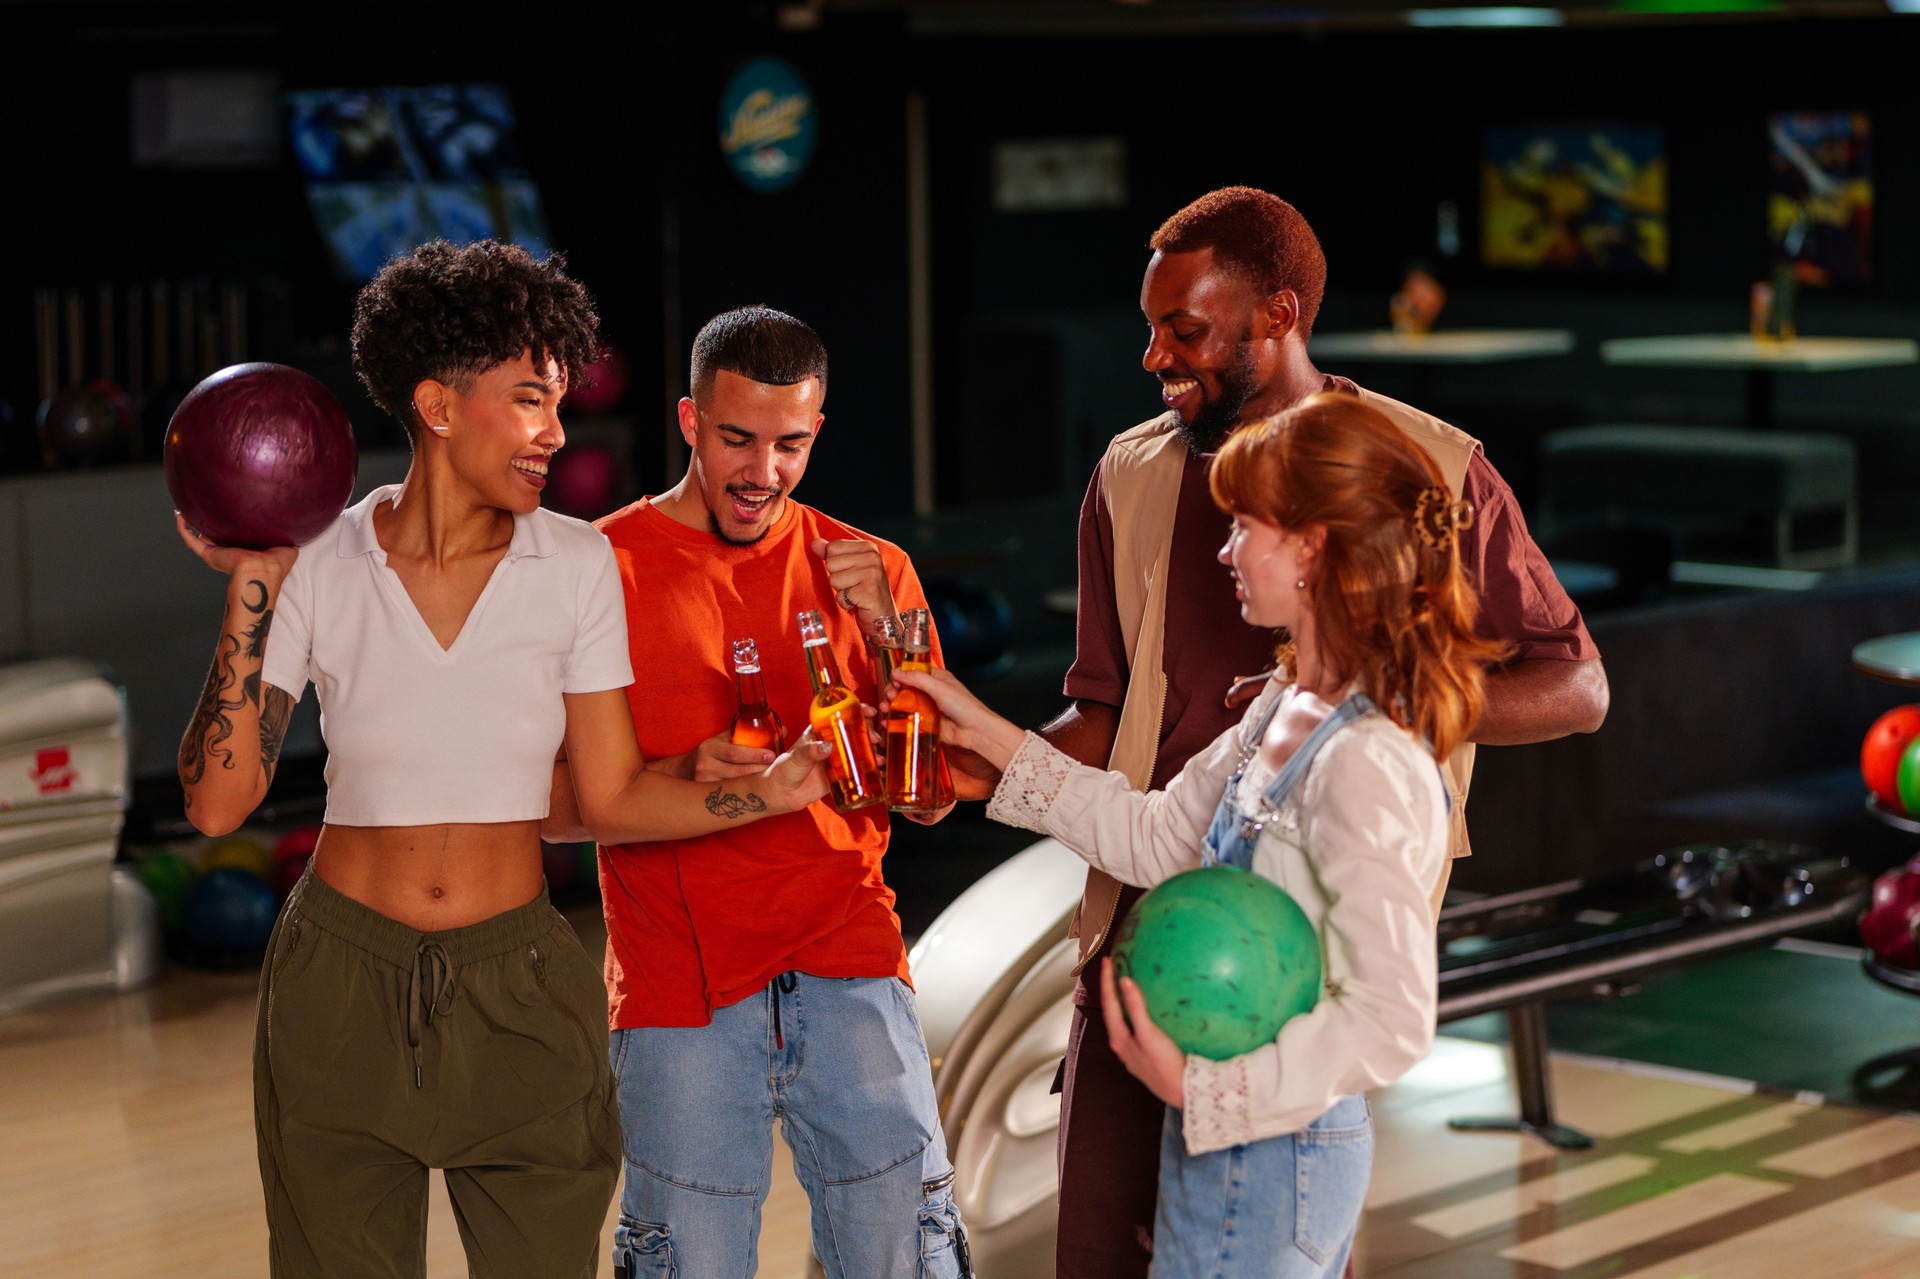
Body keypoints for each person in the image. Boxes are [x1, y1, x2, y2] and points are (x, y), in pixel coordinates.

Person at [957, 186, 1611, 1274]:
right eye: (1151, 323)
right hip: (1138, 949)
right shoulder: (1133, 481)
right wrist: (971, 748)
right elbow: (1128, 762)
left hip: (1293, 1003)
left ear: (1282, 314)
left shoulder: (1430, 472)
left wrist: (1381, 709)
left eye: (1188, 328)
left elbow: (1579, 687)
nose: (1155, 355)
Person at [175, 241, 829, 1279]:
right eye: (531, 399)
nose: (556, 433)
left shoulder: (573, 566)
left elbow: (609, 793)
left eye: (560, 401)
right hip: (337, 984)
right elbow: (218, 806)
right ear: (438, 405)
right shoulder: (318, 563)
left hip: (519, 986)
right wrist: (253, 588)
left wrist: (768, 790)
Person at [893, 390, 1508, 1278]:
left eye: (1244, 526)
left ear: (1313, 548)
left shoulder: (1366, 759)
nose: (1225, 550)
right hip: (1234, 1139)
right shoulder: (1282, 704)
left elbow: (1394, 1018)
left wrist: (1204, 1090)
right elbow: (1149, 836)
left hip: (1280, 1146)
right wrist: (981, 729)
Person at [543, 305, 972, 1279]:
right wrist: (676, 778)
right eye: (736, 438)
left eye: (789, 443)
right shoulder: (596, 569)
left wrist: (889, 636)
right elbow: (544, 805)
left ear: (816, 431)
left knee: (906, 1261)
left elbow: (930, 800)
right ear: (690, 420)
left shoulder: (874, 570)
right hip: (679, 994)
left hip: (851, 957)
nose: (762, 470)